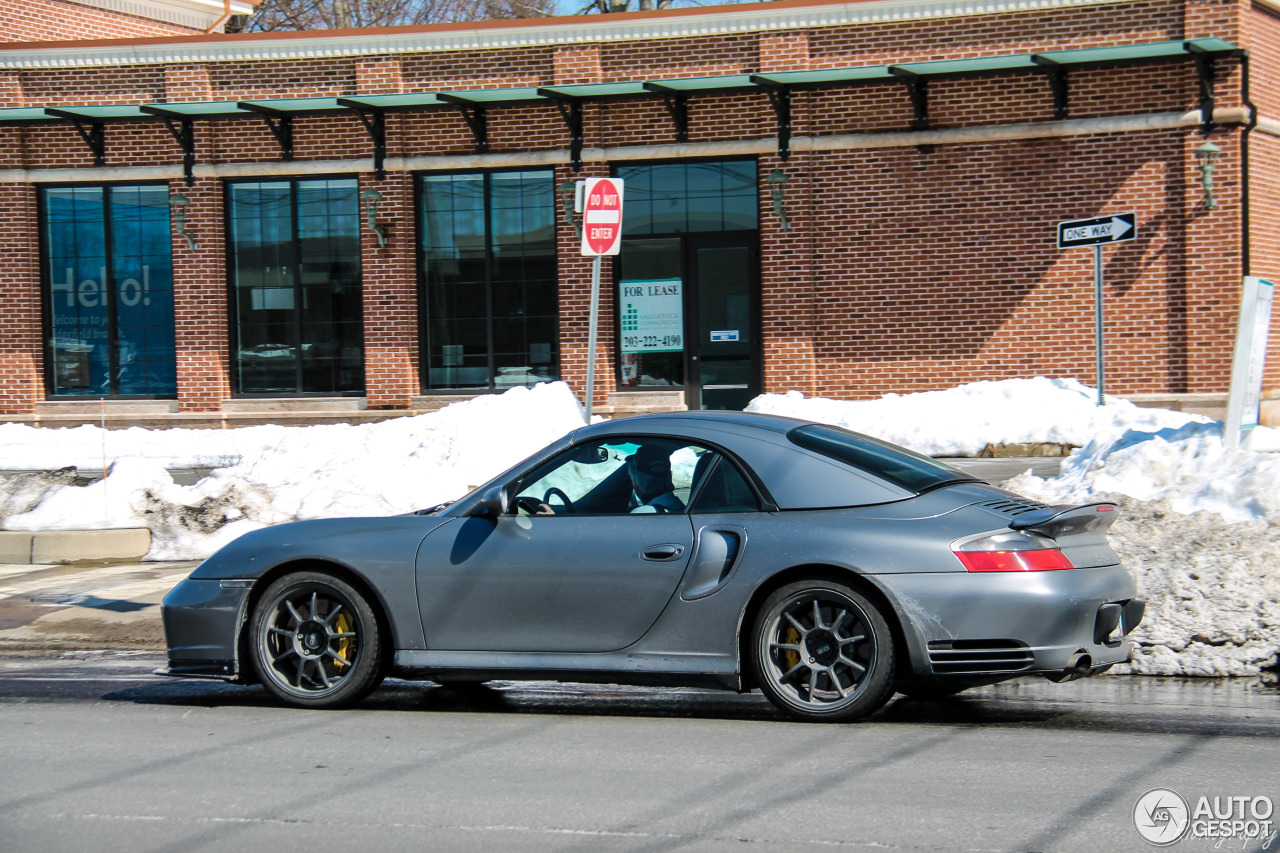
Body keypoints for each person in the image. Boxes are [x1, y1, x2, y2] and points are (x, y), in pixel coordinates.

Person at [626, 444, 685, 514]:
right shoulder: (680, 507)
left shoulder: (641, 514)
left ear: (636, 481)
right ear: (669, 476)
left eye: (631, 479)